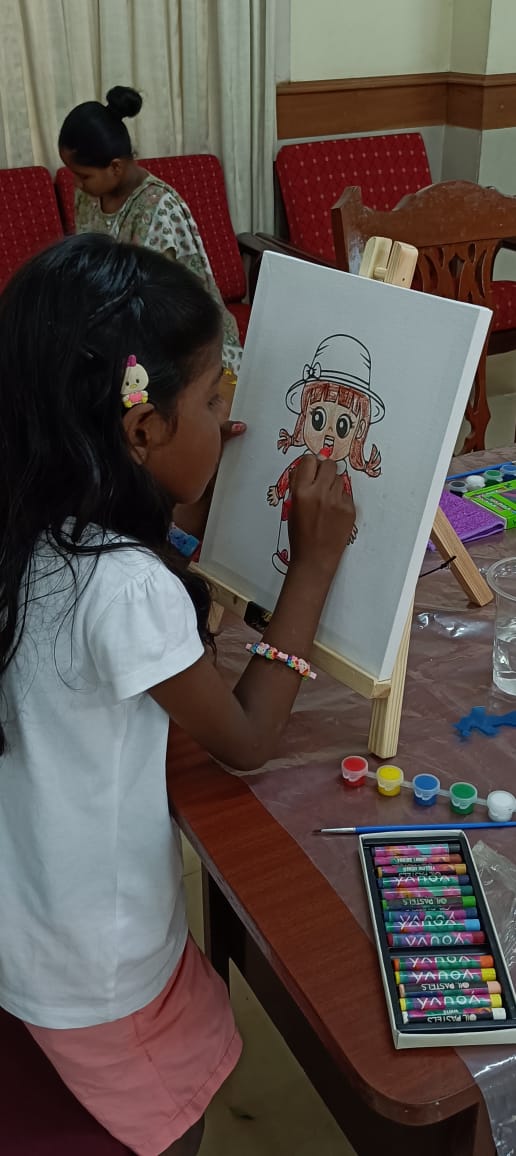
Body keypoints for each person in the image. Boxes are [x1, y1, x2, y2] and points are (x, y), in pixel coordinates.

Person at [0, 233, 355, 1156]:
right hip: (98, 969)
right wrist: (312, 569)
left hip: (27, 925)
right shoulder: (122, 588)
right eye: (213, 401)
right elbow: (246, 738)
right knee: (170, 1122)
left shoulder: (34, 529)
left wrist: (185, 496)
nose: (232, 419)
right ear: (142, 431)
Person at [58, 85, 242, 377]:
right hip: (119, 325)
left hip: (180, 339)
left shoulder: (158, 208)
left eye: (83, 175)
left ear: (115, 167)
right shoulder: (88, 197)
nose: (76, 184)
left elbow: (164, 304)